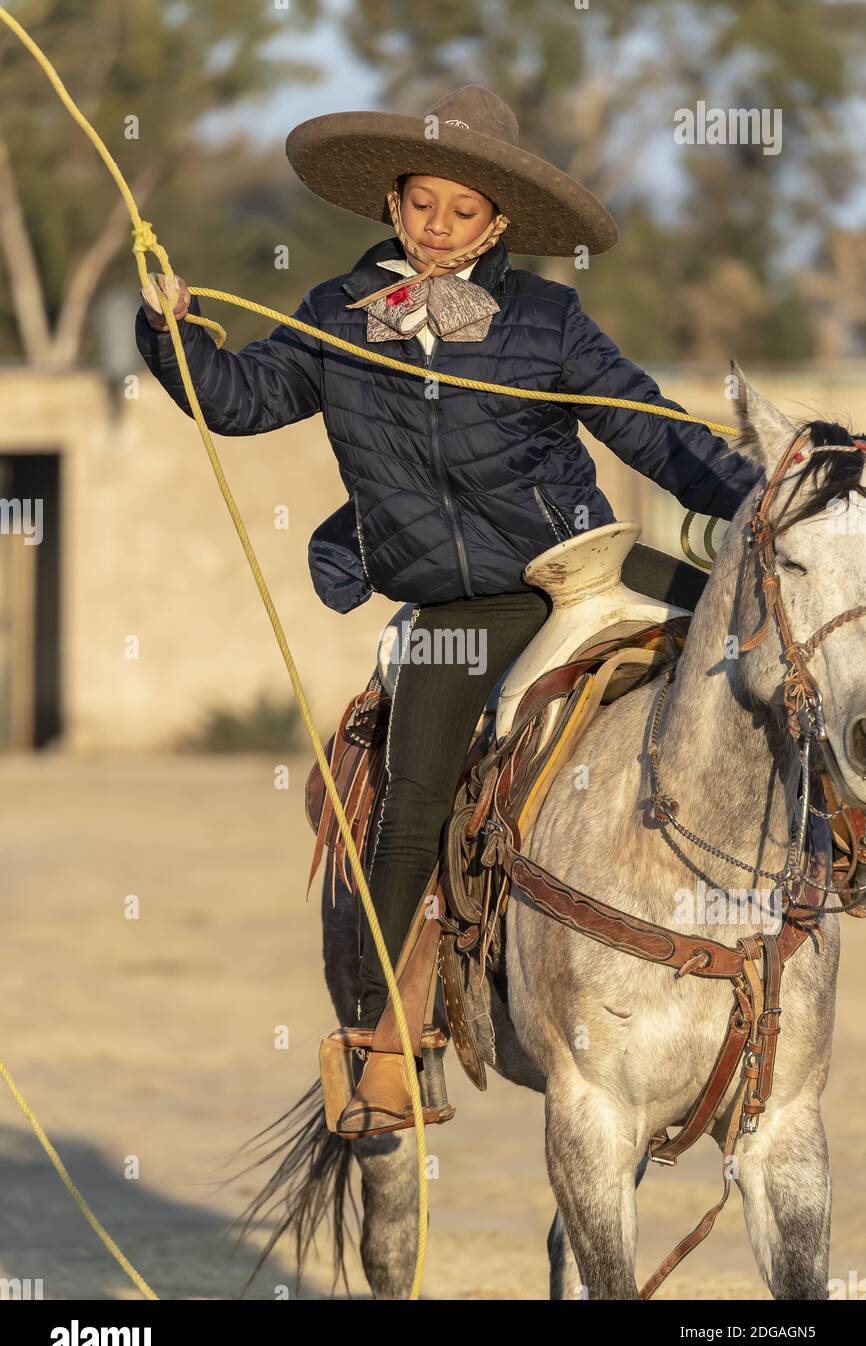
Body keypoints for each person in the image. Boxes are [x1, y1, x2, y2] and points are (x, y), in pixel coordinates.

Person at [135, 85, 758, 1138]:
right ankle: (382, 1041)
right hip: (459, 610)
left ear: (499, 224)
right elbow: (235, 401)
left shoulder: (547, 322)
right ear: (391, 199)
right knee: (414, 793)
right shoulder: (336, 317)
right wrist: (170, 334)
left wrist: (758, 499)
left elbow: (649, 431)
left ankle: (814, 889)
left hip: (583, 566)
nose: (437, 229)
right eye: (422, 204)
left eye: (462, 213)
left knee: (758, 658)